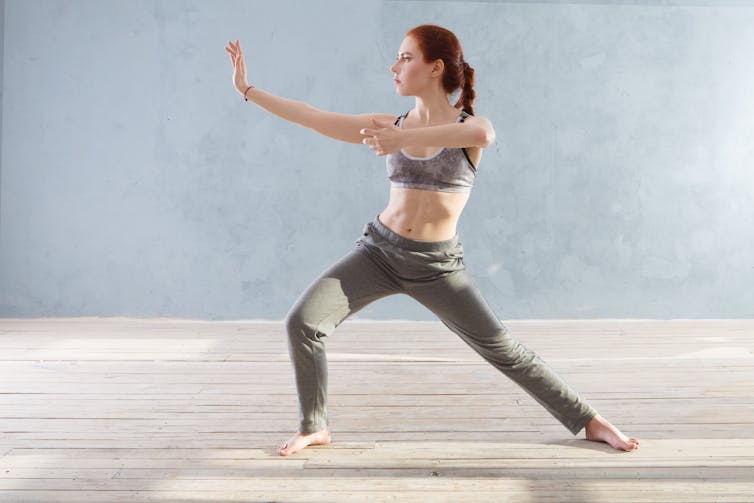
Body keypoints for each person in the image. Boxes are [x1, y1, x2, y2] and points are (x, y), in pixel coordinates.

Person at [225, 24, 640, 457]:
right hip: (378, 253)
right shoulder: (389, 125)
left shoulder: (466, 127)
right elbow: (312, 116)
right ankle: (315, 426)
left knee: (505, 351)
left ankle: (590, 420)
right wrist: (247, 88)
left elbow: (483, 136)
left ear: (435, 67)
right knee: (302, 324)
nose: (394, 66)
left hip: (438, 266)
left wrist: (403, 139)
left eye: (405, 58)